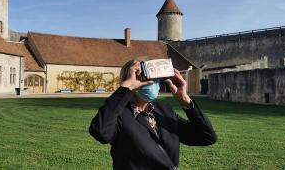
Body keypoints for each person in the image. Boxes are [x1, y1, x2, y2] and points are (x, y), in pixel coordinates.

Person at [89, 58, 217, 170]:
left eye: (155, 77)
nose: (151, 81)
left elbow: (206, 137)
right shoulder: (119, 115)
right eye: (143, 75)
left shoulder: (163, 110)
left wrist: (185, 100)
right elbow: (100, 132)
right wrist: (125, 88)